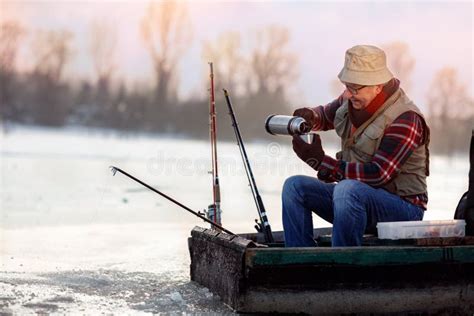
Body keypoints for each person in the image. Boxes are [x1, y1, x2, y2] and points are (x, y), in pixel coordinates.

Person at [282, 45, 430, 247]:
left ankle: (343, 266)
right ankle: (299, 263)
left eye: (355, 88)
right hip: (354, 201)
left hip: (403, 211)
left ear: (378, 86)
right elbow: (325, 116)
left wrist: (321, 163)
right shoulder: (353, 99)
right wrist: (309, 117)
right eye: (346, 86)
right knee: (294, 187)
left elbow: (378, 174)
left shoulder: (405, 118)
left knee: (347, 189)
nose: (348, 94)